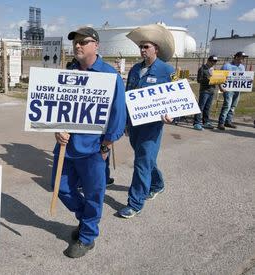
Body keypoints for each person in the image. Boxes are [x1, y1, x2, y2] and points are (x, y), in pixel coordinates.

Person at [52, 27, 126, 258]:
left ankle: (87, 237)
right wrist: (57, 130)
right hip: (66, 146)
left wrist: (107, 145)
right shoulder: (69, 72)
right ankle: (87, 221)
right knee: (61, 189)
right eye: (75, 42)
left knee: (95, 193)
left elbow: (118, 113)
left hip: (94, 149)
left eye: (83, 42)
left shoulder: (109, 75)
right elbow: (56, 107)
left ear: (96, 45)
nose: (77, 46)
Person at [118, 24, 176, 219]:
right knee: (146, 158)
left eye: (146, 47)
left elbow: (177, 98)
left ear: (156, 49)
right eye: (141, 47)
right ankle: (157, 184)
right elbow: (128, 96)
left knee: (141, 162)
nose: (142, 50)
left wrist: (172, 115)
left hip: (152, 126)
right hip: (135, 124)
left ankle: (135, 203)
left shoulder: (166, 70)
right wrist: (125, 122)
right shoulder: (135, 69)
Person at [217, 51, 248, 130]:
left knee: (233, 106)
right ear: (236, 57)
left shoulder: (242, 67)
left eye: (244, 58)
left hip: (237, 89)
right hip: (228, 89)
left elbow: (243, 78)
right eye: (242, 57)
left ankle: (228, 121)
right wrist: (220, 87)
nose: (243, 59)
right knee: (227, 105)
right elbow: (219, 77)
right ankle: (221, 123)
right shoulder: (227, 66)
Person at [193, 55, 219, 130]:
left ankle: (206, 121)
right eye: (212, 61)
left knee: (207, 107)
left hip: (212, 90)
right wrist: (208, 79)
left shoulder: (214, 69)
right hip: (204, 91)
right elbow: (199, 80)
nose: (213, 63)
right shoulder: (202, 69)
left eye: (215, 62)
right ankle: (196, 123)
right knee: (201, 107)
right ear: (208, 61)